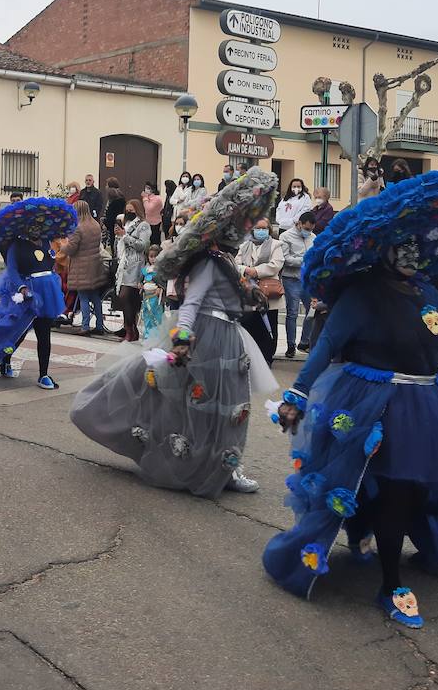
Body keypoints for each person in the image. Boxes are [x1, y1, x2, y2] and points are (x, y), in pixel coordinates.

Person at [264, 170, 438, 629]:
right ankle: (391, 582)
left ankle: (368, 532)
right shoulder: (362, 294)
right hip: (373, 405)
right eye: (404, 245)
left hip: (427, 406)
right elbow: (327, 346)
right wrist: (294, 395)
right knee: (392, 490)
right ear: (384, 249)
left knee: (415, 491)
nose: (413, 253)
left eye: (419, 245)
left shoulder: (428, 292)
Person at [70, 169, 281, 497]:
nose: (248, 229)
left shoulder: (225, 259)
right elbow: (193, 302)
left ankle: (227, 465)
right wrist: (182, 338)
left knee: (231, 407)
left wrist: (250, 295)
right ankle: (205, 464)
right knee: (201, 405)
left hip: (229, 337)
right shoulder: (210, 261)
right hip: (207, 336)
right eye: (242, 224)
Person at [0, 198, 77, 389]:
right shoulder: (16, 246)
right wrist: (22, 288)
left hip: (47, 296)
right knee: (18, 333)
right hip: (27, 296)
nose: (36, 228)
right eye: (32, 225)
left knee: (44, 334)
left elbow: (50, 265)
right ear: (24, 227)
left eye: (39, 224)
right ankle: (5, 360)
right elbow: (14, 271)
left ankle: (44, 374)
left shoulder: (47, 243)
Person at [236, 215, 284, 365]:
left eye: (264, 228)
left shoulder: (276, 244)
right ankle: (251, 358)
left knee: (269, 326)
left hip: (268, 292)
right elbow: (236, 263)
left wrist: (255, 271)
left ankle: (267, 358)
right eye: (258, 228)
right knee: (250, 326)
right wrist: (246, 269)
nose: (261, 231)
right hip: (249, 292)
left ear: (269, 230)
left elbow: (276, 264)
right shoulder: (245, 246)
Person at [63, 205, 106, 335]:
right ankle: (99, 326)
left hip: (81, 265)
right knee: (95, 297)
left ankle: (85, 326)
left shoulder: (78, 227)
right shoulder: (95, 224)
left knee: (83, 297)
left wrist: (63, 246)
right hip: (95, 264)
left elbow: (71, 248)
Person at [278, 210, 316, 357]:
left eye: (311, 229)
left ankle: (304, 342)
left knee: (311, 312)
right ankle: (291, 345)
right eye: (306, 229)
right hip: (291, 279)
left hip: (307, 279)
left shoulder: (313, 237)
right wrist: (304, 260)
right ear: (299, 224)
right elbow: (285, 259)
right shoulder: (285, 236)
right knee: (292, 312)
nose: (308, 232)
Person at [113, 199, 151, 342]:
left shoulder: (143, 225)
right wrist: (118, 236)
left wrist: (125, 236)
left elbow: (143, 245)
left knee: (126, 296)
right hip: (123, 264)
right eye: (127, 210)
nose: (129, 212)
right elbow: (121, 242)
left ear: (138, 210)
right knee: (125, 299)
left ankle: (131, 330)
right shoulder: (126, 224)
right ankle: (130, 329)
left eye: (131, 210)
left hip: (135, 264)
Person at [140, 245, 165, 341]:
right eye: (151, 256)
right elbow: (142, 278)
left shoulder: (161, 269)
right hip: (146, 296)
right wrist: (140, 284)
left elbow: (163, 281)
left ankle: (156, 337)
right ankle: (147, 335)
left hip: (156, 296)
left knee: (156, 316)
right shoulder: (146, 268)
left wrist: (160, 288)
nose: (153, 259)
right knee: (146, 315)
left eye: (155, 256)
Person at [141, 181, 164, 248]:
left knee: (155, 241)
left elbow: (148, 209)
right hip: (148, 222)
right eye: (145, 188)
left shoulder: (157, 198)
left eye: (148, 188)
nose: (146, 190)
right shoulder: (148, 198)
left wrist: (145, 198)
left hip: (156, 223)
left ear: (153, 189)